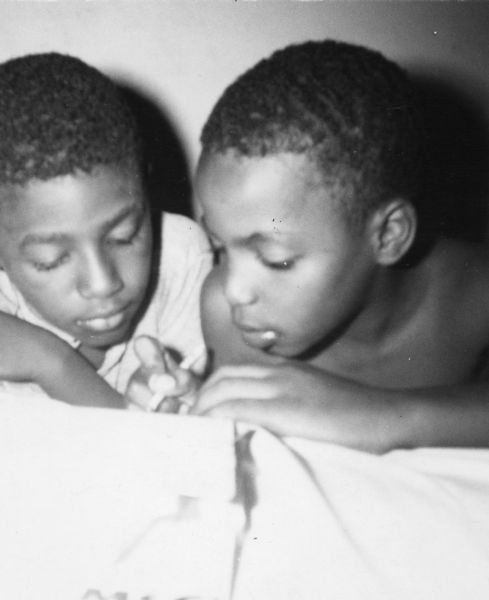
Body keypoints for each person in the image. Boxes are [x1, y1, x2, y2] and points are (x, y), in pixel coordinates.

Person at [132, 40, 489, 453]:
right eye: (221, 247)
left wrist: (384, 416)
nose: (234, 290)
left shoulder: (474, 291)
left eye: (276, 259)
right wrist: (197, 401)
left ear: (388, 235)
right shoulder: (224, 315)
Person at [0, 52, 211, 408]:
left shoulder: (177, 255)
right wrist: (50, 361)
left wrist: (50, 363)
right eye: (51, 260)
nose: (103, 283)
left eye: (124, 236)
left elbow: (181, 448)